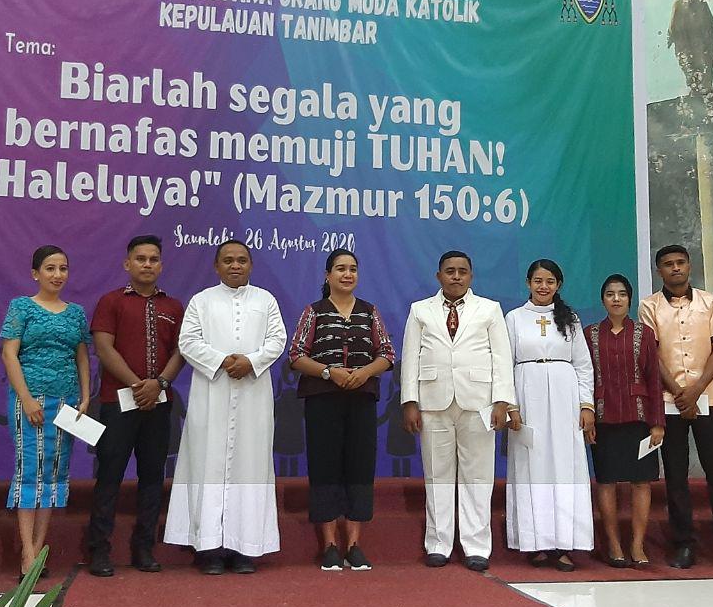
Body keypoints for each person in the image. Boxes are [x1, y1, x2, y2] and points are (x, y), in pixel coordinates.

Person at [165, 240, 287, 574]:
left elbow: (277, 340)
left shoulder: (265, 300)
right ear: (216, 266)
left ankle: (244, 548)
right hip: (212, 393)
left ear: (251, 265)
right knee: (207, 463)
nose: (235, 266)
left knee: (250, 466)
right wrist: (222, 361)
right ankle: (209, 548)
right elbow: (188, 341)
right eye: (228, 260)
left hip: (252, 394)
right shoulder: (201, 301)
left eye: (242, 260)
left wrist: (251, 361)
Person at [639, 245, 713, 571]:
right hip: (669, 401)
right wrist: (678, 391)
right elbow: (652, 353)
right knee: (676, 475)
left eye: (680, 262)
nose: (675, 268)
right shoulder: (649, 306)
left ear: (689, 266)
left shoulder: (710, 302)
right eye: (668, 264)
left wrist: (695, 389)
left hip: (709, 397)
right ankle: (683, 545)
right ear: (659, 271)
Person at [400, 251, 516, 571]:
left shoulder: (489, 309)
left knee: (478, 477)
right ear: (438, 276)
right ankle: (438, 543)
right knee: (436, 475)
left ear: (471, 276)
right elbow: (410, 358)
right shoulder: (420, 310)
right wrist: (410, 401)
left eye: (462, 271)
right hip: (432, 400)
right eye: (449, 271)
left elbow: (501, 358)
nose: (456, 276)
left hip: (479, 401)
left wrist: (502, 401)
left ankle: (476, 546)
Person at [287, 248, 395, 571]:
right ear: (327, 275)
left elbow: (387, 353)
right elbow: (296, 355)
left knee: (360, 468)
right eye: (340, 269)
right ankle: (330, 545)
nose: (347, 275)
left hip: (362, 400)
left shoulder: (370, 312)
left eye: (352, 269)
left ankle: (354, 545)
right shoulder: (314, 312)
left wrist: (365, 373)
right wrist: (328, 372)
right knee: (325, 467)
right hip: (322, 400)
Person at [88, 235, 185, 577]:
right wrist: (136, 384)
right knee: (109, 475)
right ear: (127, 264)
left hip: (159, 402)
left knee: (153, 476)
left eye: (153, 259)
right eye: (140, 259)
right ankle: (99, 550)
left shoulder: (173, 306)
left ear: (161, 265)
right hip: (117, 403)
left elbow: (181, 351)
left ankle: (144, 548)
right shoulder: (111, 301)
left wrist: (159, 384)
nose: (147, 264)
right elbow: (104, 348)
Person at [0, 245, 90, 578]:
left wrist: (85, 396)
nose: (57, 275)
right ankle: (26, 552)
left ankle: (39, 550)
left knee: (53, 472)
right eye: (50, 268)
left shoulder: (76, 312)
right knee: (29, 470)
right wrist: (26, 398)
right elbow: (9, 354)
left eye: (63, 268)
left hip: (66, 401)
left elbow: (81, 356)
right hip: (30, 398)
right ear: (35, 273)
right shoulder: (21, 307)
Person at [505, 259, 594, 572]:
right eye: (538, 281)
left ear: (559, 285)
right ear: (528, 283)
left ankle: (563, 543)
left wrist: (586, 405)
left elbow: (583, 365)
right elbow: (504, 365)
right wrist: (511, 406)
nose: (544, 287)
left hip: (564, 398)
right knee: (532, 468)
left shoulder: (570, 320)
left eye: (550, 281)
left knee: (564, 469)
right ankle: (535, 542)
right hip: (527, 398)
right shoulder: (514, 318)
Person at [583, 274, 664, 568]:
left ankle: (637, 544)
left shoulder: (645, 334)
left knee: (641, 482)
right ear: (602, 300)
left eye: (621, 294)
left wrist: (657, 423)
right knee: (606, 482)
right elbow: (584, 378)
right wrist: (588, 417)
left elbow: (654, 380)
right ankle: (614, 544)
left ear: (630, 299)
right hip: (603, 420)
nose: (616, 299)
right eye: (610, 294)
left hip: (639, 419)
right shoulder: (590, 334)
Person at [667, 0, 713, 93]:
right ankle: (695, 89)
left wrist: (709, 45)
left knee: (703, 68)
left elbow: (711, 26)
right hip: (685, 45)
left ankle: (706, 90)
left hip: (701, 45)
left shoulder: (700, 4)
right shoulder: (678, 5)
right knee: (689, 70)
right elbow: (673, 25)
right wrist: (671, 36)